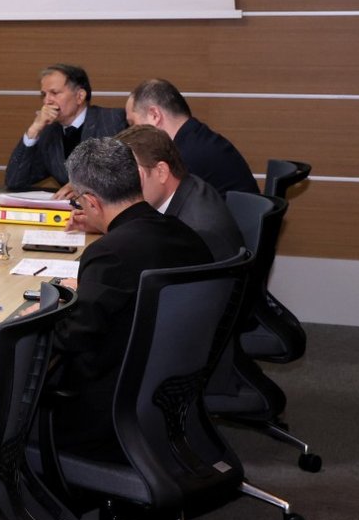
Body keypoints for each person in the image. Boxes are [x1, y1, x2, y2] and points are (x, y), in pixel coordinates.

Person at [42, 138, 212, 452]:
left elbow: (70, 337)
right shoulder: (184, 233)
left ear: (92, 202)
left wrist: (40, 316)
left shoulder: (110, 254)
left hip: (107, 414)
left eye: (78, 203)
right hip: (167, 399)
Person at [117, 125, 245, 260]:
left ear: (161, 172)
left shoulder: (195, 231)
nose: (124, 185)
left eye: (131, 174)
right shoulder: (188, 185)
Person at [4, 63, 127, 190]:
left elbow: (126, 174)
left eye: (54, 93)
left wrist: (81, 186)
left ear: (80, 96)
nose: (47, 101)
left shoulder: (114, 120)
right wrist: (33, 130)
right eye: (44, 95)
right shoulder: (49, 133)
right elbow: (14, 181)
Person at [125, 78, 255, 194]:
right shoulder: (196, 139)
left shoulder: (187, 156)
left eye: (132, 124)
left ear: (155, 115)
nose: (132, 133)